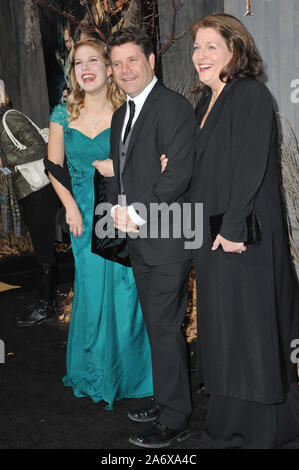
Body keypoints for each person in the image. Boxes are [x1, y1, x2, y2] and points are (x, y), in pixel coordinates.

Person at [190, 13, 299, 448]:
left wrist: (233, 229)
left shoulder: (250, 94)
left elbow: (252, 166)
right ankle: (227, 423)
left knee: (251, 330)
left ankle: (260, 430)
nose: (200, 55)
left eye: (211, 46)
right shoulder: (204, 104)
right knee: (224, 329)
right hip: (212, 238)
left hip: (243, 238)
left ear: (236, 50)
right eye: (196, 47)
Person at [46, 37, 153, 409]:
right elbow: (53, 166)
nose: (86, 68)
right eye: (79, 63)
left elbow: (150, 158)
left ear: (109, 68)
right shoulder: (62, 114)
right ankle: (94, 374)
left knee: (127, 290)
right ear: (73, 72)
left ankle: (131, 374)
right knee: (92, 293)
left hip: (121, 211)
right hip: (81, 214)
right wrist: (70, 208)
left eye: (94, 60)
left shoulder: (127, 107)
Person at [104, 27, 196, 447]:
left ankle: (176, 418)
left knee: (164, 326)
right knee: (158, 326)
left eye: (132, 60)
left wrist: (136, 211)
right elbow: (122, 175)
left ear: (151, 61)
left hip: (168, 238)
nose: (125, 70)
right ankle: (165, 399)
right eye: (118, 63)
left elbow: (177, 174)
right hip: (139, 239)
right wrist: (119, 213)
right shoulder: (122, 114)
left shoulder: (174, 108)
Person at [0, 92, 60, 326]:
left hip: (39, 192)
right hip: (28, 192)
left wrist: (6, 160)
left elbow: (41, 148)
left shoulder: (10, 117)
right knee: (41, 249)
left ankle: (46, 307)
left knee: (45, 251)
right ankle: (48, 300)